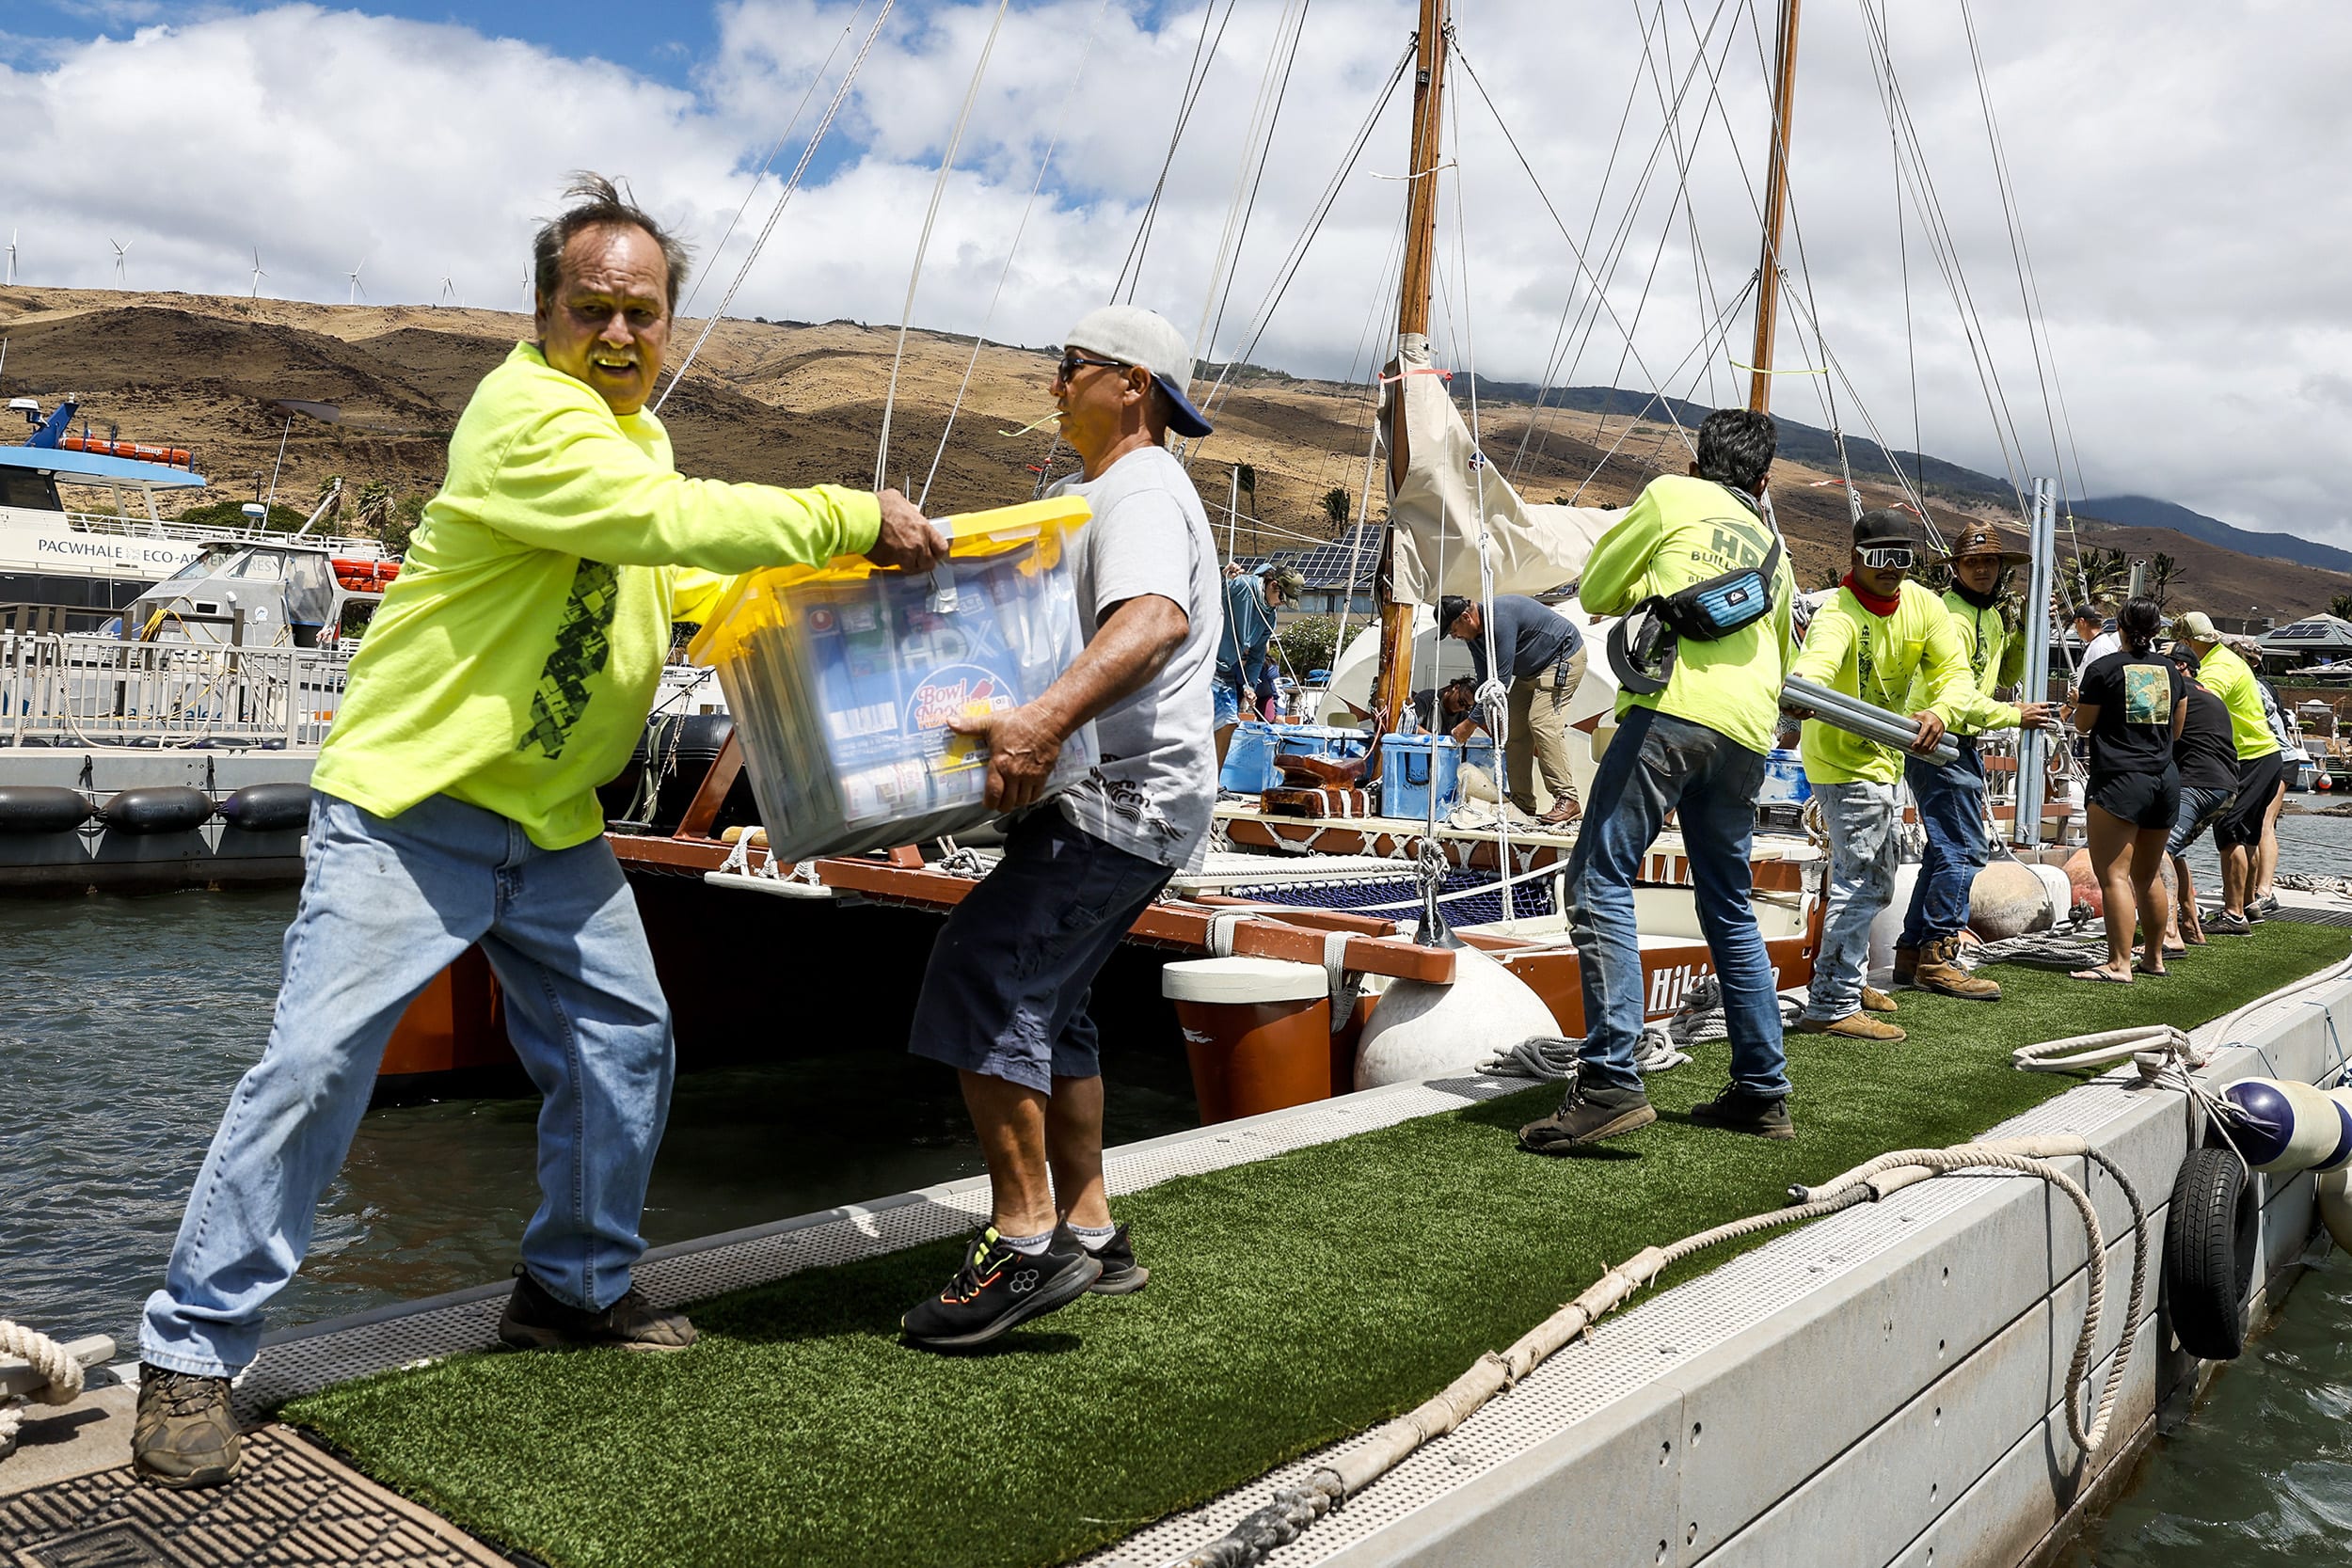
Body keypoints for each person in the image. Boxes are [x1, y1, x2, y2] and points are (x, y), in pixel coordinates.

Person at [131, 175, 948, 1488]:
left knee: (625, 1043)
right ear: (543, 312)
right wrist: (848, 511)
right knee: (319, 1064)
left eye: (642, 313)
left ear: (668, 324)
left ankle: (572, 1288)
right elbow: (652, 521)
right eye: (592, 309)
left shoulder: (638, 439)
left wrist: (829, 585)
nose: (618, 333)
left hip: (552, 824)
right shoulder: (524, 418)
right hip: (411, 809)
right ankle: (190, 1350)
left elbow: (672, 565)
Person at [899, 304, 1219, 1349]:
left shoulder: (1141, 487)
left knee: (981, 973)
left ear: (1132, 384)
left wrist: (1039, 722)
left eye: (1070, 365)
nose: (1053, 383)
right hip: (1123, 797)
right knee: (1056, 1000)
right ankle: (1089, 1228)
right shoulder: (1098, 492)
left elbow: (1153, 618)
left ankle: (1026, 1241)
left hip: (1119, 798)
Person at [1519, 407, 1797, 1151]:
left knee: (1598, 878)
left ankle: (1611, 1078)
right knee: (1729, 904)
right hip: (1747, 733)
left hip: (1671, 712)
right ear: (1763, 482)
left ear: (1697, 463)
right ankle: (1762, 1089)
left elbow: (1599, 589)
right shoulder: (1775, 551)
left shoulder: (1672, 495)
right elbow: (1782, 655)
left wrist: (1655, 581)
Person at [1786, 509, 2017, 1043]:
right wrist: (1803, 690)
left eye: (1902, 558)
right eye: (1879, 557)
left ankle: (1848, 978)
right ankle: (1832, 1002)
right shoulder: (1838, 613)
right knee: (1865, 880)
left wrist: (1941, 711)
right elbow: (1818, 663)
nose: (1891, 568)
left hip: (1888, 756)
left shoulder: (1923, 605)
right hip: (1843, 760)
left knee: (1874, 877)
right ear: (1855, 558)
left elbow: (1955, 673)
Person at [1892, 525, 2054, 999]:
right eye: (1972, 562)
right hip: (1939, 737)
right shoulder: (1951, 617)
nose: (1981, 569)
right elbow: (1958, 695)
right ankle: (1939, 953)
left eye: (1989, 562)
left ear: (2001, 568)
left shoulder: (1992, 617)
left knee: (1945, 849)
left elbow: (2004, 672)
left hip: (1953, 740)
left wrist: (2024, 631)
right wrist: (2013, 715)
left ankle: (1912, 951)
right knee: (1963, 850)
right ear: (1958, 567)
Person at [2069, 599, 2189, 982]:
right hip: (2164, 778)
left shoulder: (2103, 669)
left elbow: (2083, 725)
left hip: (2120, 779)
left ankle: (2119, 963)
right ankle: (2154, 958)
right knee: (2147, 875)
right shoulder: (2171, 671)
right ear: (2156, 631)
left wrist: (2079, 705)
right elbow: (2177, 731)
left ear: (2119, 627)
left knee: (2114, 877)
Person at [1436, 592, 1585, 824]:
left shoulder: (1499, 620)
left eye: (1453, 630)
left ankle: (1568, 799)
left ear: (1466, 617)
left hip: (1562, 658)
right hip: (1530, 672)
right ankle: (1522, 803)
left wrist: (1469, 724)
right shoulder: (1473, 637)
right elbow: (1486, 683)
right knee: (1513, 730)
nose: (1454, 636)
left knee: (1542, 722)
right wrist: (1485, 714)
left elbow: (1500, 682)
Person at [2176, 610, 2283, 934]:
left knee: (2230, 832)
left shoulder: (2217, 667)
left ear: (2187, 642)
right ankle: (2247, 904)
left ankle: (2233, 914)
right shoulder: (2226, 658)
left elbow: (2198, 701)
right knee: (2246, 835)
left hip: (2249, 757)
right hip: (2264, 755)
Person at [2162, 641, 2237, 950]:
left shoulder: (2177, 692)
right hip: (2226, 787)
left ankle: (2168, 935)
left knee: (2159, 852)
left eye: (2163, 661)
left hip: (2198, 784)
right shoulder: (2210, 696)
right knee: (2174, 850)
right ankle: (2191, 926)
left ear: (2180, 666)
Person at [1213, 562, 1301, 759]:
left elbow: (1257, 655)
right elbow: (1212, 594)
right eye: (1282, 599)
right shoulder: (1242, 585)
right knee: (1202, 722)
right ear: (1273, 585)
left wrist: (1249, 685)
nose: (1282, 604)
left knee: (1229, 723)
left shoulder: (1269, 617)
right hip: (1206, 662)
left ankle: (1215, 776)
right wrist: (1223, 576)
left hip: (1227, 669)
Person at [2067, 604, 2119, 697]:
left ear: (2082, 622)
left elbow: (2100, 687)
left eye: (2076, 623)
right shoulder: (2097, 644)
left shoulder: (2100, 648)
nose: (2076, 628)